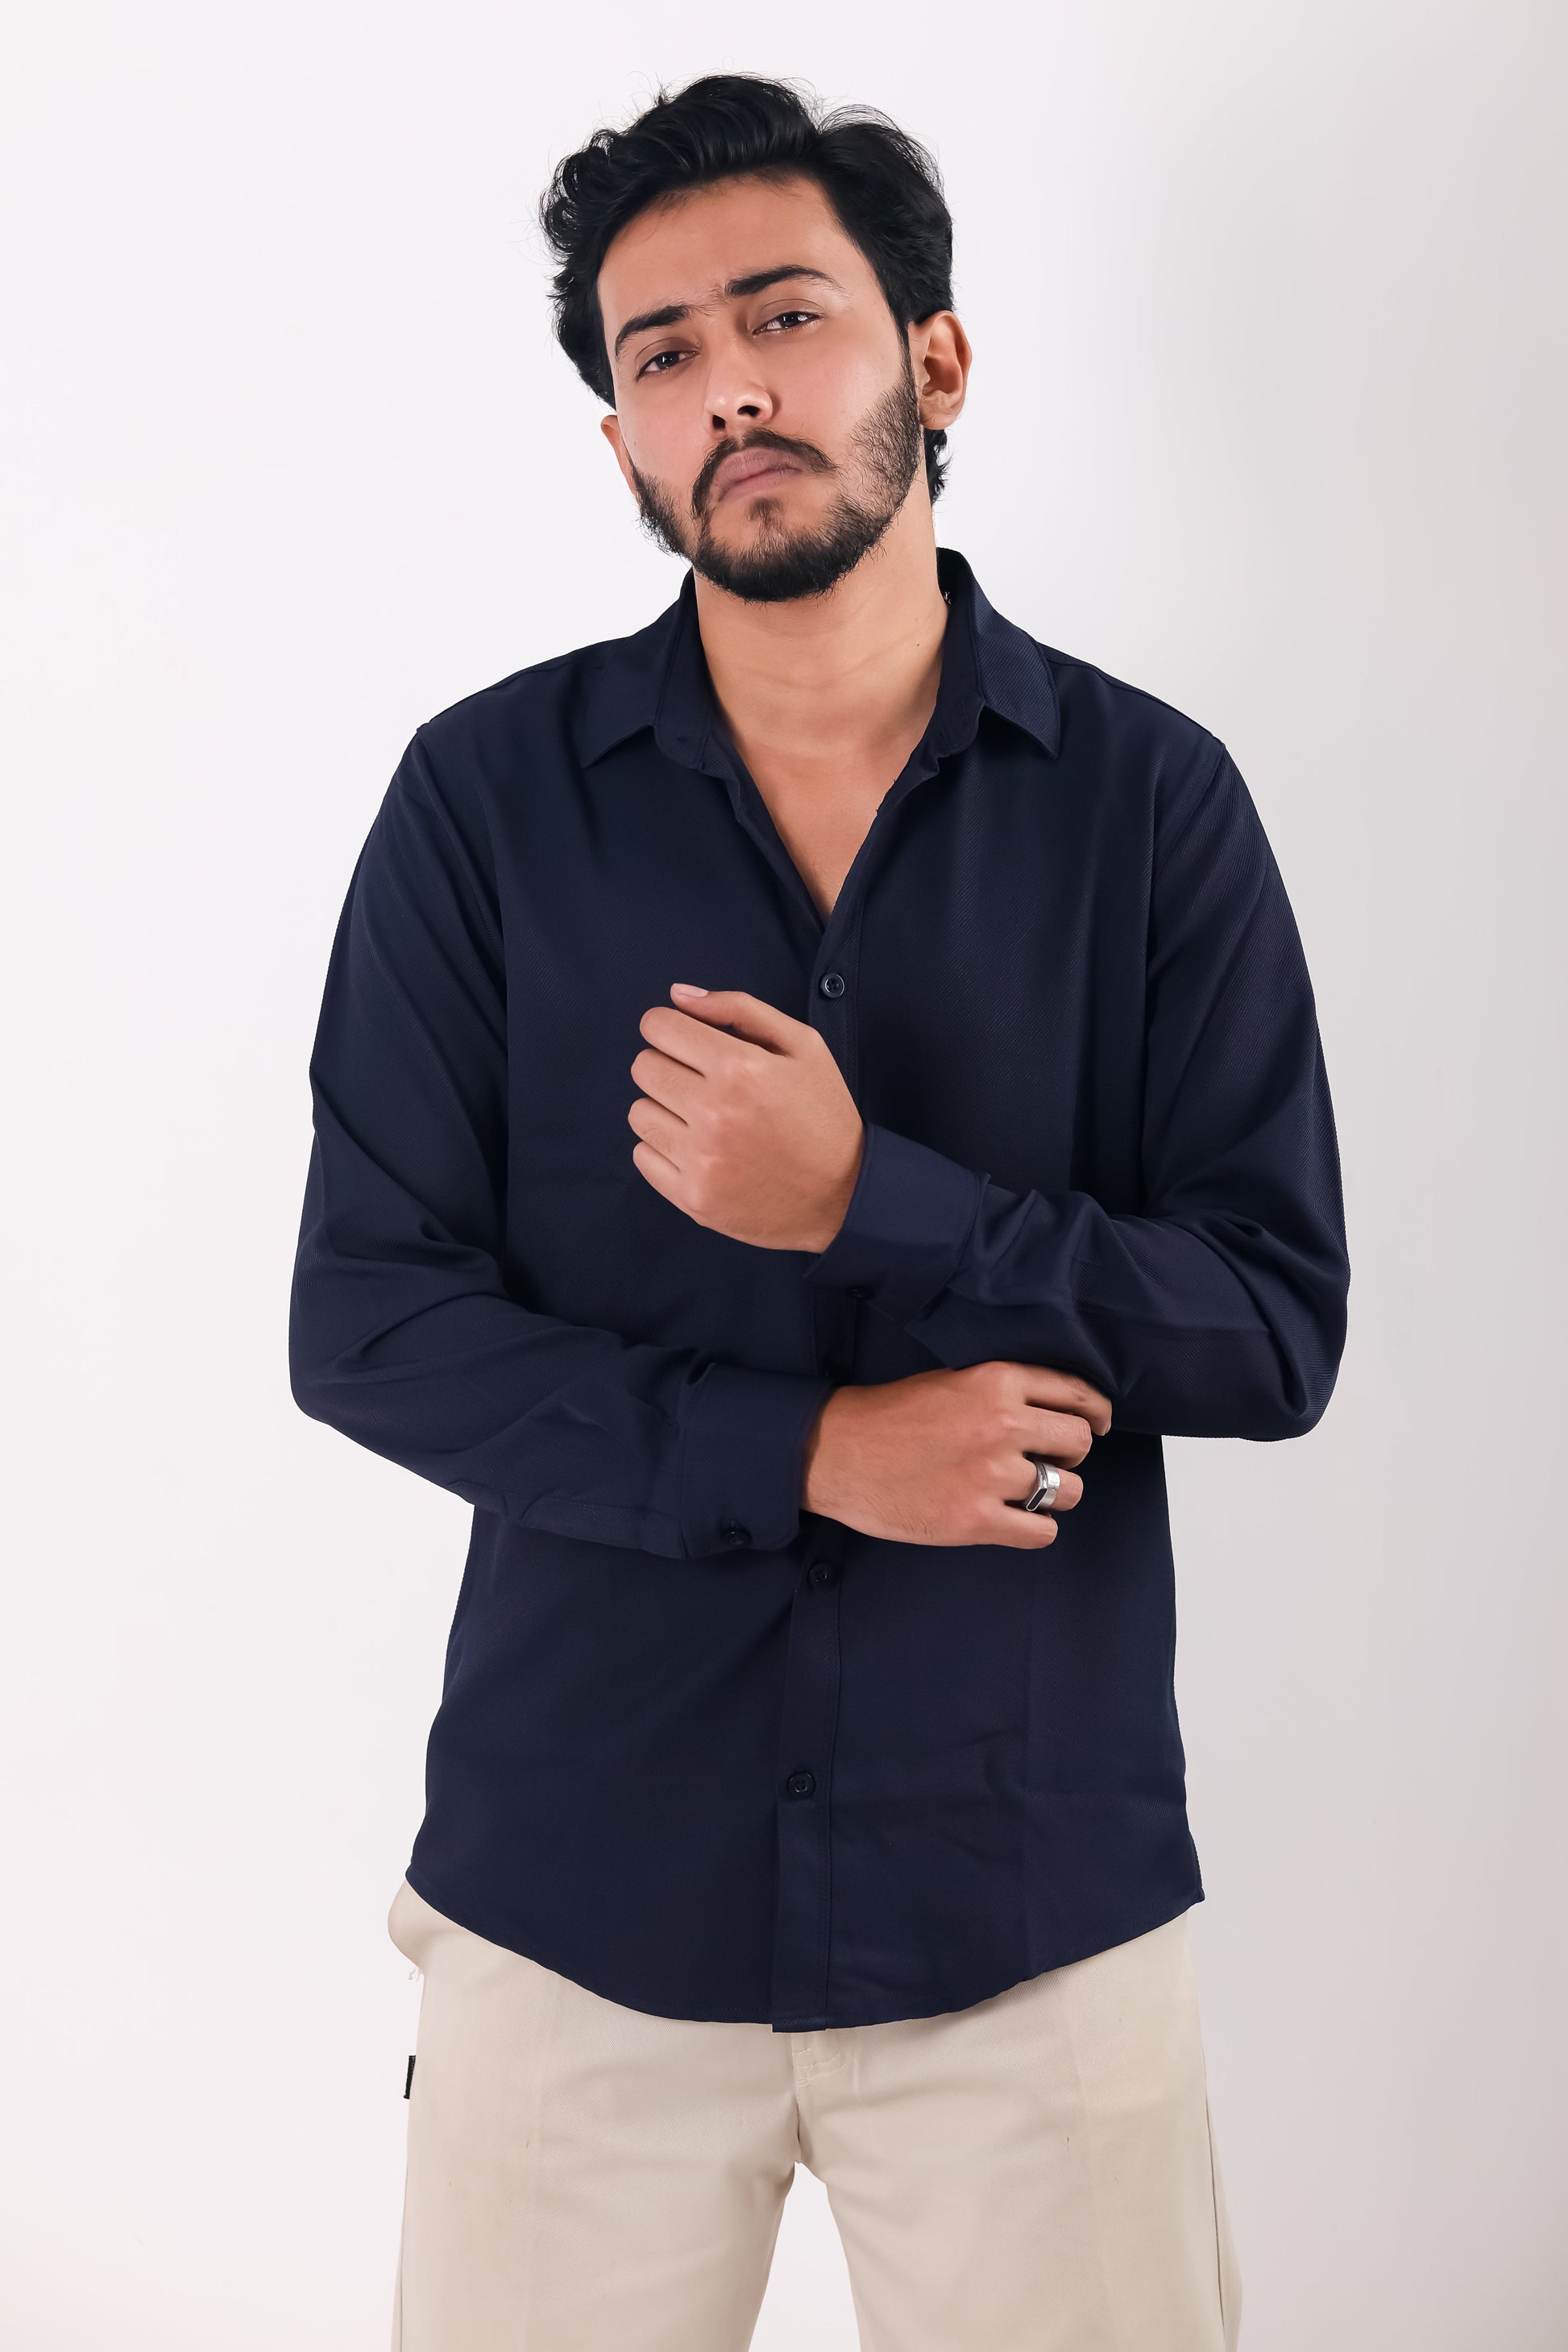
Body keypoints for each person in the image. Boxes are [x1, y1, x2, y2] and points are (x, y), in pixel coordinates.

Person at [288, 69, 1348, 2352]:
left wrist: (886, 1203)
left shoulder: (1150, 805)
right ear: (621, 441)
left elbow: (1273, 1327)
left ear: (932, 359)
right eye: (662, 352)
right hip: (578, 1904)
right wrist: (811, 1454)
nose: (731, 388)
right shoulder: (484, 804)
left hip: (1025, 1910)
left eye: (785, 315)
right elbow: (369, 1324)